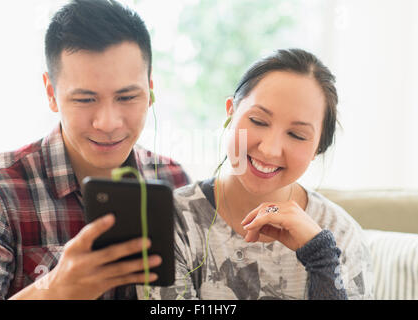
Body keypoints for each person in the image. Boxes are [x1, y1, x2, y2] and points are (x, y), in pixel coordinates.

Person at [0, 0, 190, 300]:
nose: (108, 123)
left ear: (150, 91)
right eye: (85, 100)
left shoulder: (173, 180)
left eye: (127, 97)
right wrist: (57, 289)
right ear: (51, 93)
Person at [142, 49, 373, 300]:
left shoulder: (340, 235)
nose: (270, 149)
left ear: (318, 147)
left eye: (296, 135)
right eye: (258, 121)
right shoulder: (169, 220)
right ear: (231, 112)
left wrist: (322, 261)